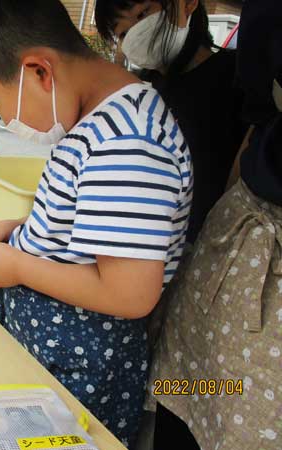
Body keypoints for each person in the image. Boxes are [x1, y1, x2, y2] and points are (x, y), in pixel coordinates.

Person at [0, 0, 192, 447]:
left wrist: (18, 266)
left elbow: (129, 293)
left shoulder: (127, 143)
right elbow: (90, 217)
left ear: (38, 71)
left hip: (81, 367)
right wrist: (22, 228)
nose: (4, 121)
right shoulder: (93, 118)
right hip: (53, 353)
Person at [146, 1, 282, 449]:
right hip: (237, 234)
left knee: (247, 416)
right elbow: (259, 119)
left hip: (254, 272)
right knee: (182, 392)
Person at [94, 0, 248, 243]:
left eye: (143, 14)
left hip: (216, 241)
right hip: (155, 241)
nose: (136, 33)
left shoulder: (237, 77)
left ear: (188, 4)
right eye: (123, 33)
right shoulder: (141, 89)